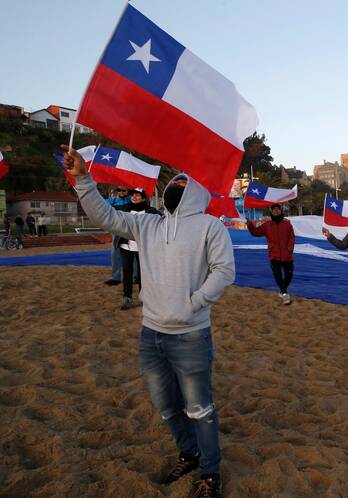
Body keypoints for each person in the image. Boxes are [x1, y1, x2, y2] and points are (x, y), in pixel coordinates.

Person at [62, 145, 234, 497]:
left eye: (184, 184)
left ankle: (210, 473)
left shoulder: (209, 227)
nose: (176, 188)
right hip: (151, 334)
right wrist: (82, 178)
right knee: (167, 407)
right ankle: (188, 452)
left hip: (190, 335)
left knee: (199, 408)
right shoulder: (147, 224)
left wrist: (193, 303)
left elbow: (224, 272)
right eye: (175, 183)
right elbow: (105, 217)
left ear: (197, 192)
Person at [117, 188, 160, 310]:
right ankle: (127, 297)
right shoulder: (124, 209)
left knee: (143, 274)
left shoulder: (151, 211)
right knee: (127, 271)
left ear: (144, 198)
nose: (134, 197)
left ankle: (144, 298)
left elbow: (161, 222)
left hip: (144, 247)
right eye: (133, 195)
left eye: (138, 195)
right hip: (126, 246)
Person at [246, 203, 295, 304]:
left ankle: (282, 291)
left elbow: (292, 237)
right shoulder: (267, 225)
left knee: (289, 275)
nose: (276, 211)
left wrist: (289, 249)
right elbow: (256, 232)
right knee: (277, 275)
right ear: (271, 212)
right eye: (274, 210)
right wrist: (250, 225)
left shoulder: (287, 224)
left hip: (287, 255)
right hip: (274, 254)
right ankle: (285, 294)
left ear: (280, 211)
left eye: (278, 209)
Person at [103, 187, 131, 286]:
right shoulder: (112, 201)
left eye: (124, 190)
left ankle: (136, 276)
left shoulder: (132, 199)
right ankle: (116, 277)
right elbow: (99, 204)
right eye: (119, 190)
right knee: (115, 253)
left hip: (130, 229)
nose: (121, 192)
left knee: (134, 252)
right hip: (117, 229)